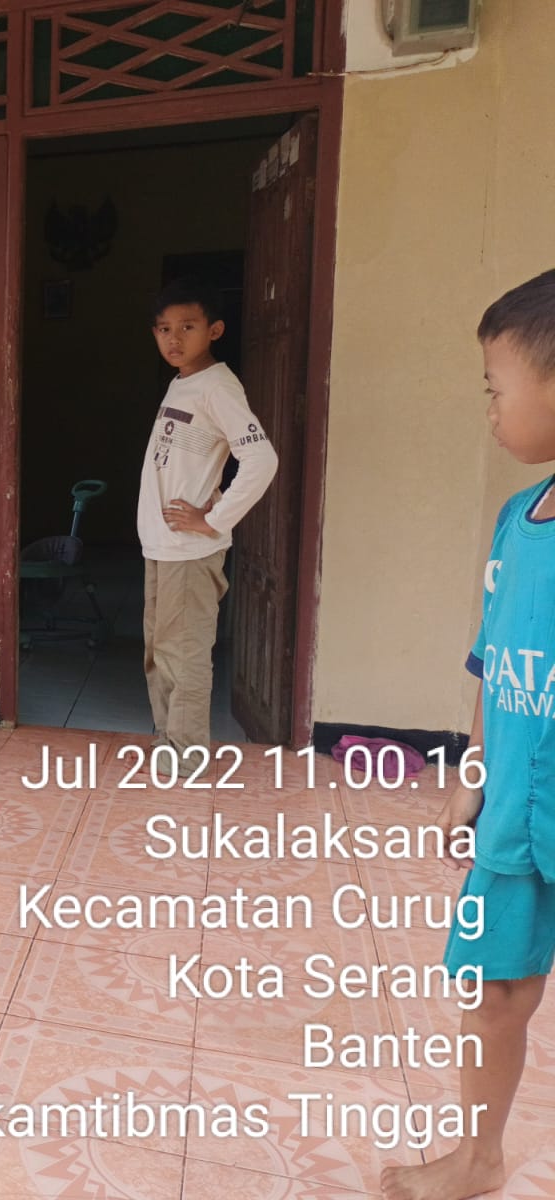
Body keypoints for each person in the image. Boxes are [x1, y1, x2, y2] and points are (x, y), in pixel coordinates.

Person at [381, 270, 555, 1200]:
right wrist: (472, 776)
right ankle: (478, 1158)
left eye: (496, 388)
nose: (489, 409)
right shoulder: (516, 526)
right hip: (516, 818)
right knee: (493, 992)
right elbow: (492, 663)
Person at [138, 278, 278, 763]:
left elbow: (261, 458)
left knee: (184, 654)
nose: (173, 338)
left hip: (189, 551)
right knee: (159, 652)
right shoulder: (183, 383)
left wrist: (214, 519)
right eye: (164, 329)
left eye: (187, 327)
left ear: (214, 330)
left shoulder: (218, 386)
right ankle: (167, 740)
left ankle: (187, 753)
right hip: (161, 546)